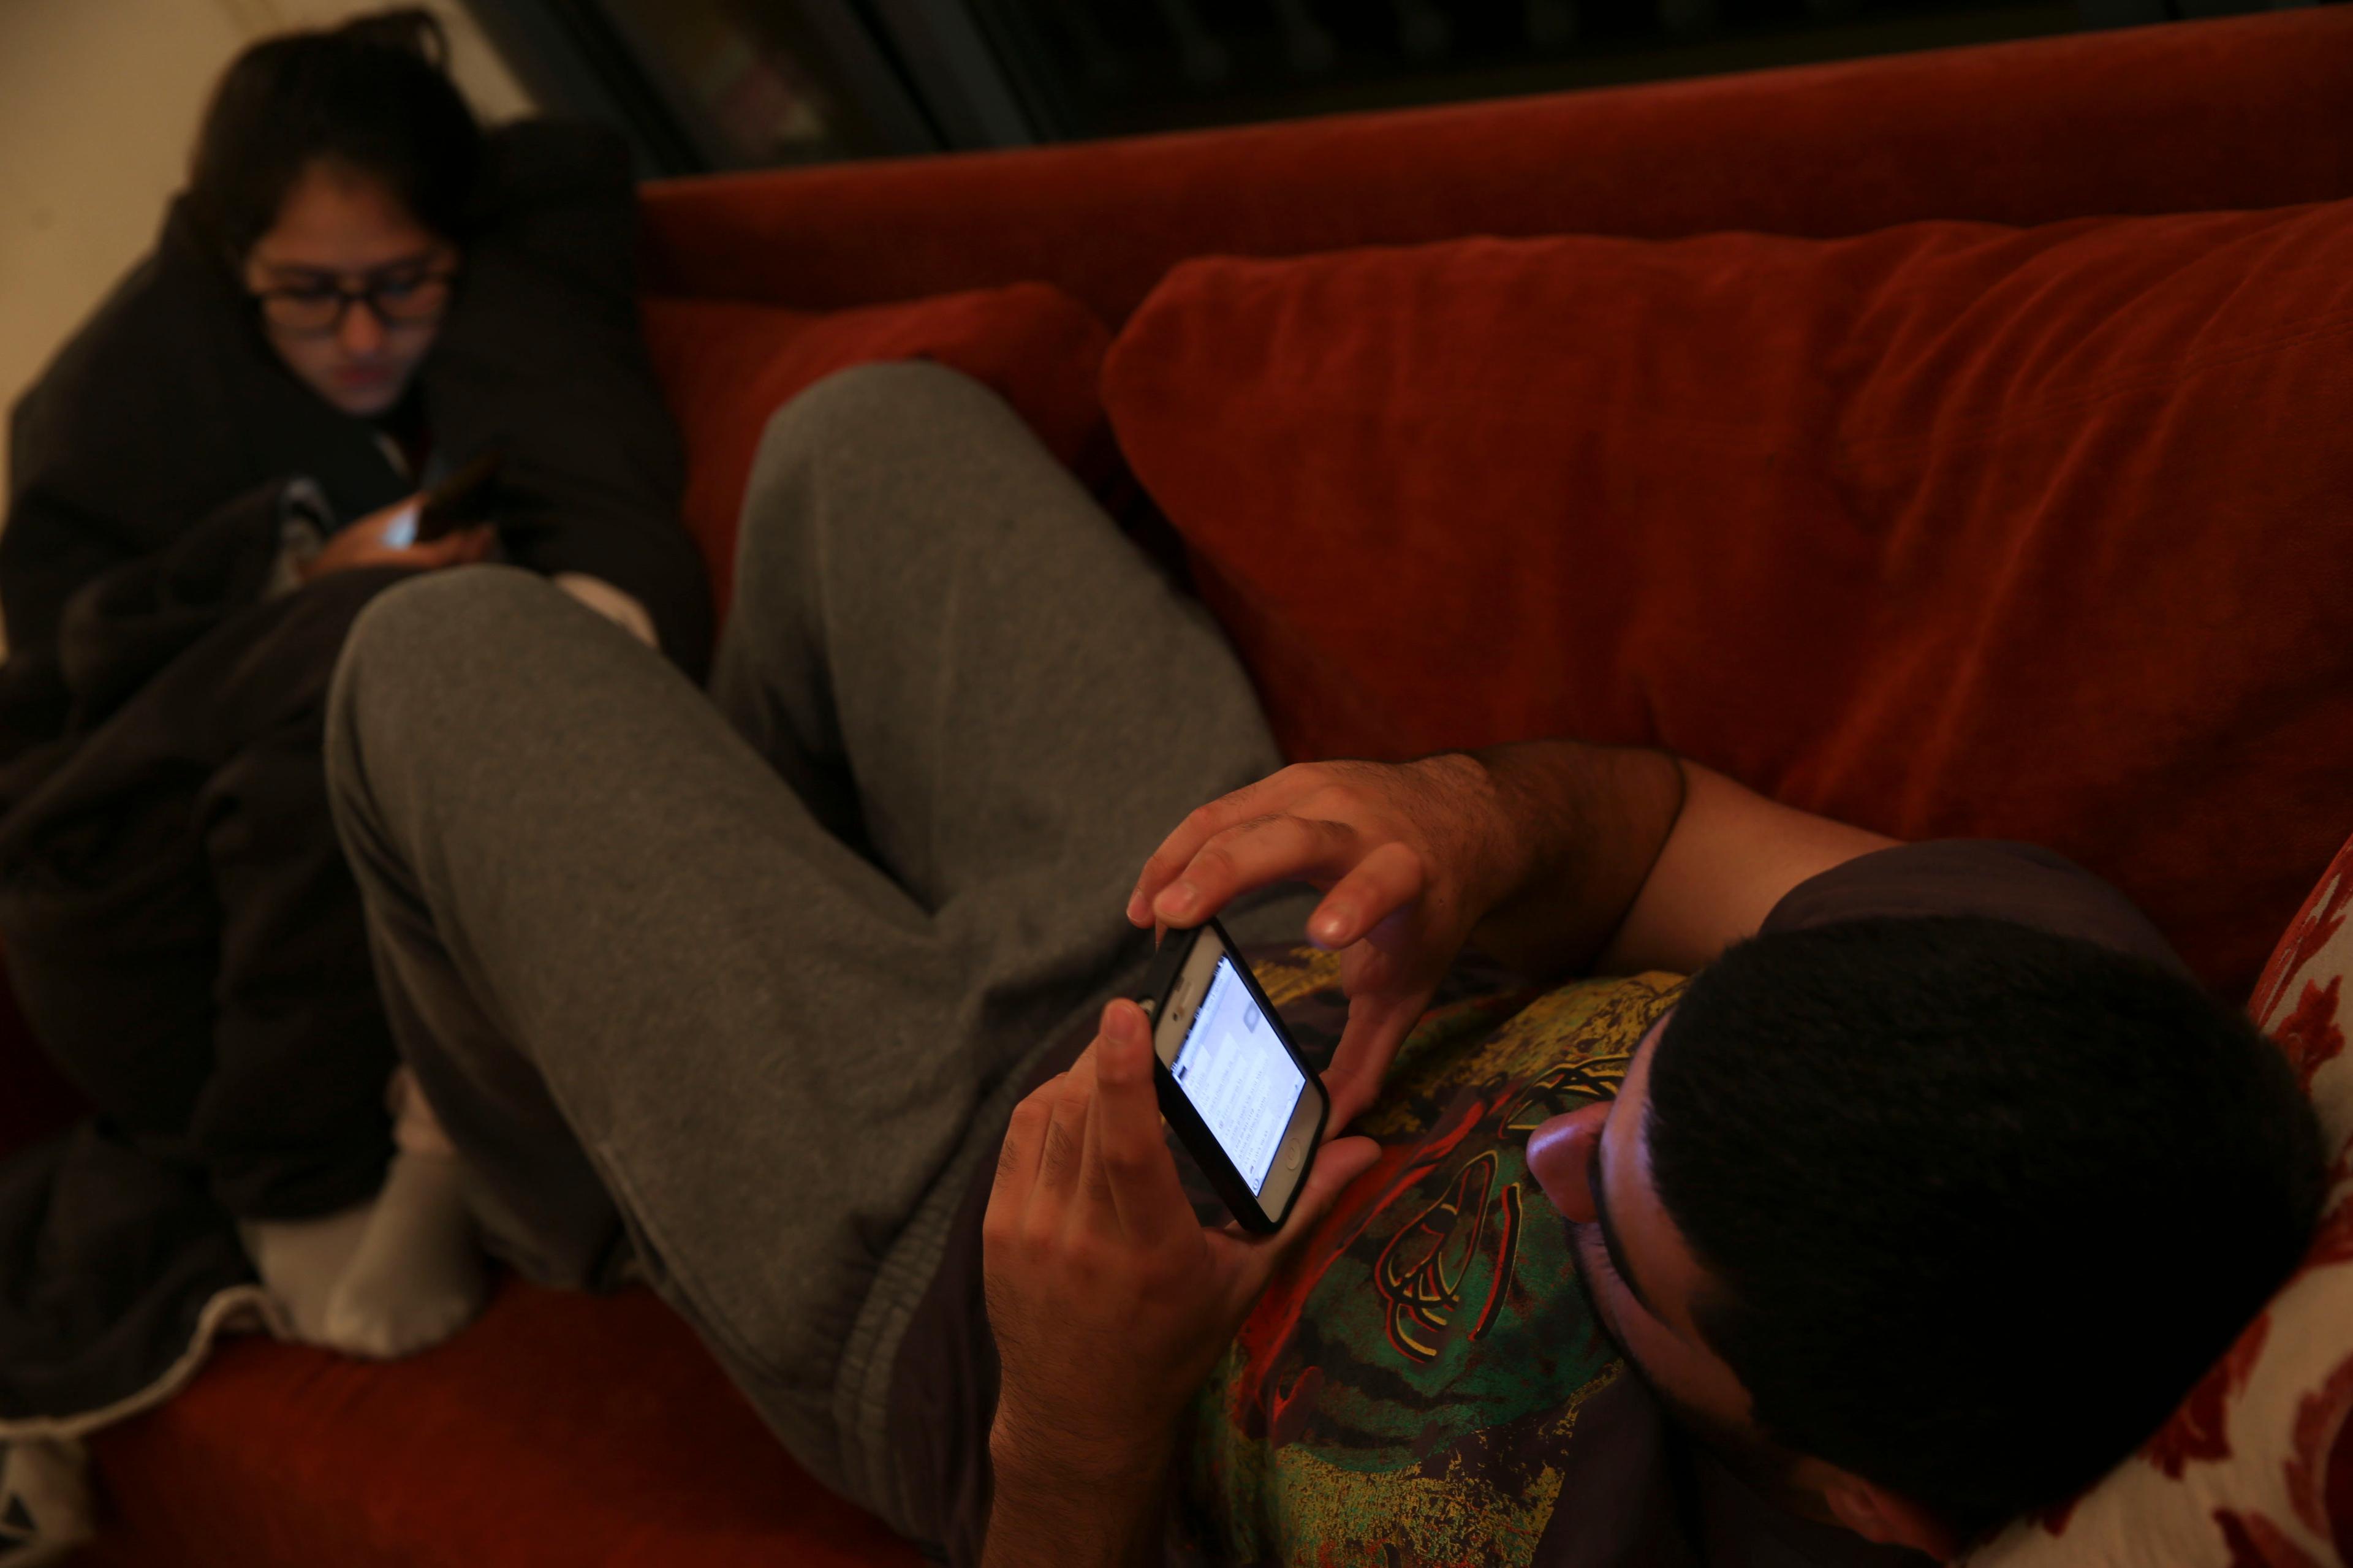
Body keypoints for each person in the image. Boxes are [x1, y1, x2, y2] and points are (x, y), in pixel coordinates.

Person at [322, 362, 2322, 1566]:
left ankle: (559, 1202)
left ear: (1855, 1494)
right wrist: (1470, 823)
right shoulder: (2049, 1005)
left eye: (1624, 1249)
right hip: (1280, 977)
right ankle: (747, 895)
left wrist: (1082, 1420)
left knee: (432, 659)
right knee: (866, 438)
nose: (1550, 1169)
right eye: (1634, 1098)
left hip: (945, 1274)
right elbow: (1663, 827)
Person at [0, 9, 710, 1440]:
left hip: (369, 835)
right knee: (380, 650)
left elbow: (610, 514)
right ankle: (308, 1187)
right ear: (226, 262)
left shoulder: (498, 297)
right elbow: (95, 711)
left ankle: (433, 1132)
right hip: (132, 895)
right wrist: (291, 594)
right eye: (308, 295)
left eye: (404, 283)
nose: (366, 335)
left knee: (447, 660)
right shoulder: (110, 411)